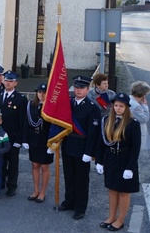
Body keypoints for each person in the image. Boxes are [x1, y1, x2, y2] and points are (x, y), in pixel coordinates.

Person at [95, 93, 142, 231]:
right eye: (115, 105)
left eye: (121, 106)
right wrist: (99, 161)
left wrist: (130, 168)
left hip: (125, 162)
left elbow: (135, 148)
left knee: (123, 192)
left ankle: (120, 220)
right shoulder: (107, 120)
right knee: (112, 190)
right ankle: (111, 217)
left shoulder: (133, 124)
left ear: (127, 107)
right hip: (111, 160)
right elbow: (101, 143)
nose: (118, 108)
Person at [59, 75, 101, 220]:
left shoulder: (92, 108)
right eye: (76, 87)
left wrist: (89, 152)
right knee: (69, 176)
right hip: (68, 144)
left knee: (81, 179)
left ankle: (80, 207)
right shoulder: (68, 103)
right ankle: (69, 201)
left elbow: (93, 133)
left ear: (87, 89)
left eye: (81, 88)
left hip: (82, 147)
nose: (78, 90)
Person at [0, 70, 27, 197]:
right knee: (1, 161)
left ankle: (12, 186)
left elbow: (23, 121)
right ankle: (1, 182)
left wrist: (19, 140)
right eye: (6, 80)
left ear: (16, 83)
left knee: (13, 162)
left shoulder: (21, 99)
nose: (8, 83)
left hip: (13, 136)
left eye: (11, 81)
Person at [22, 83, 53, 203]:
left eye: (44, 92)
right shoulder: (31, 105)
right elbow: (26, 122)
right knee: (35, 165)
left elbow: (55, 125)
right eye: (39, 92)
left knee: (45, 166)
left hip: (46, 139)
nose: (41, 94)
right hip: (33, 137)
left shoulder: (51, 106)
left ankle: (43, 192)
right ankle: (36, 190)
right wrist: (25, 140)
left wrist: (54, 142)